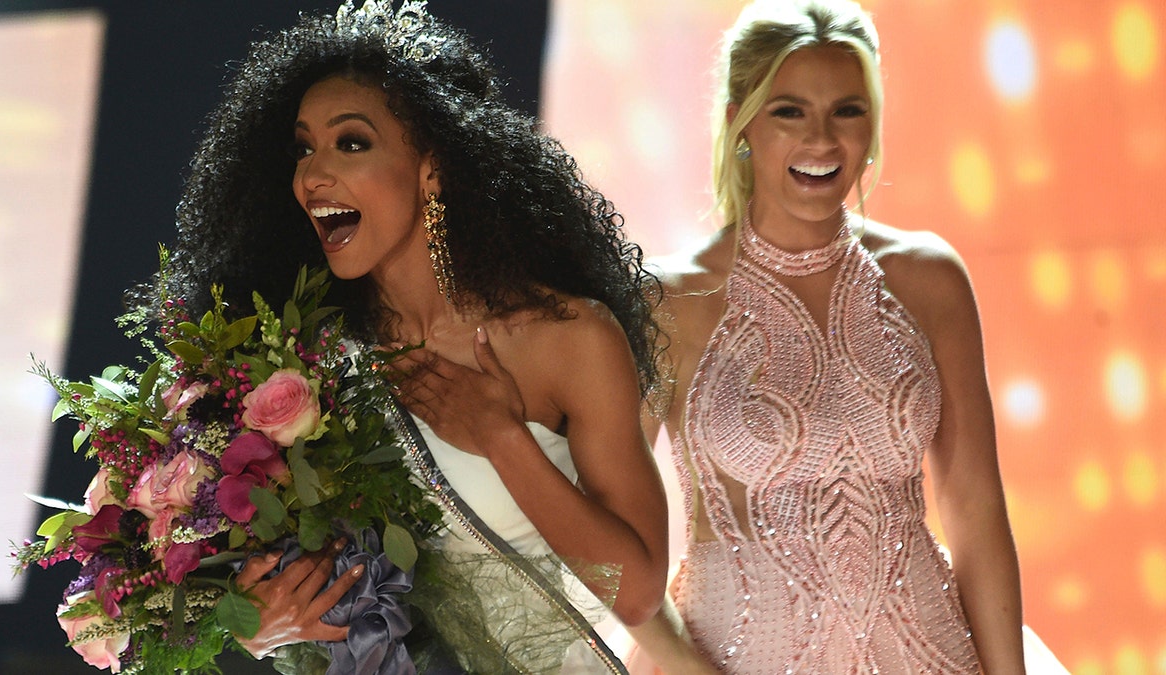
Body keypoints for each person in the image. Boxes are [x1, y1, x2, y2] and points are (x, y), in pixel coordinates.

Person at [141, 1, 670, 671]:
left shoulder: (568, 337)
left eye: (350, 142)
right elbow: (251, 577)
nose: (313, 174)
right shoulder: (297, 363)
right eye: (304, 148)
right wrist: (253, 619)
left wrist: (503, 437)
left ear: (432, 166)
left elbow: (640, 593)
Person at [625, 0, 1027, 672]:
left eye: (847, 109)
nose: (822, 139)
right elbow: (599, 541)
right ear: (740, 123)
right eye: (790, 111)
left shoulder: (930, 278)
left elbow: (978, 515)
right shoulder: (665, 302)